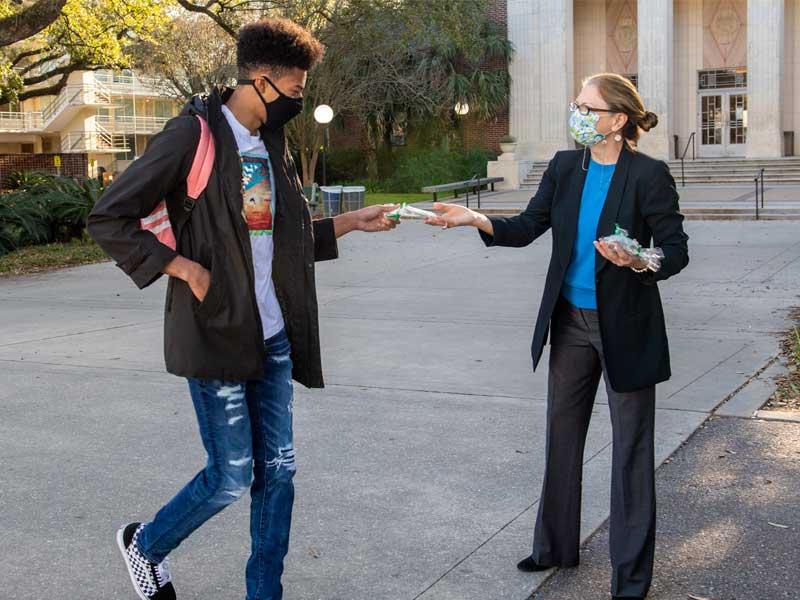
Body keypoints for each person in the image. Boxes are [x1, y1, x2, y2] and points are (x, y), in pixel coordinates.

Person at [88, 18, 398, 600]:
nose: (299, 103)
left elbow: (273, 235)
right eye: (296, 92)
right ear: (260, 80)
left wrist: (351, 221)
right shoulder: (193, 136)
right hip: (216, 333)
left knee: (278, 474)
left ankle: (265, 592)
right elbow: (109, 217)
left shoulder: (267, 146)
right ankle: (146, 544)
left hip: (271, 336)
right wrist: (181, 267)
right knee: (231, 475)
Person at [425, 73, 689, 600]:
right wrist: (474, 217)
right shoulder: (567, 167)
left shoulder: (648, 175)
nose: (579, 115)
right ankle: (554, 546)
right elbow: (528, 225)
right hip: (569, 322)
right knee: (561, 438)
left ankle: (630, 579)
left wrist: (639, 258)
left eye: (588, 109)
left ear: (617, 120)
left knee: (631, 452)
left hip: (627, 331)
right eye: (576, 105)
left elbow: (675, 250)